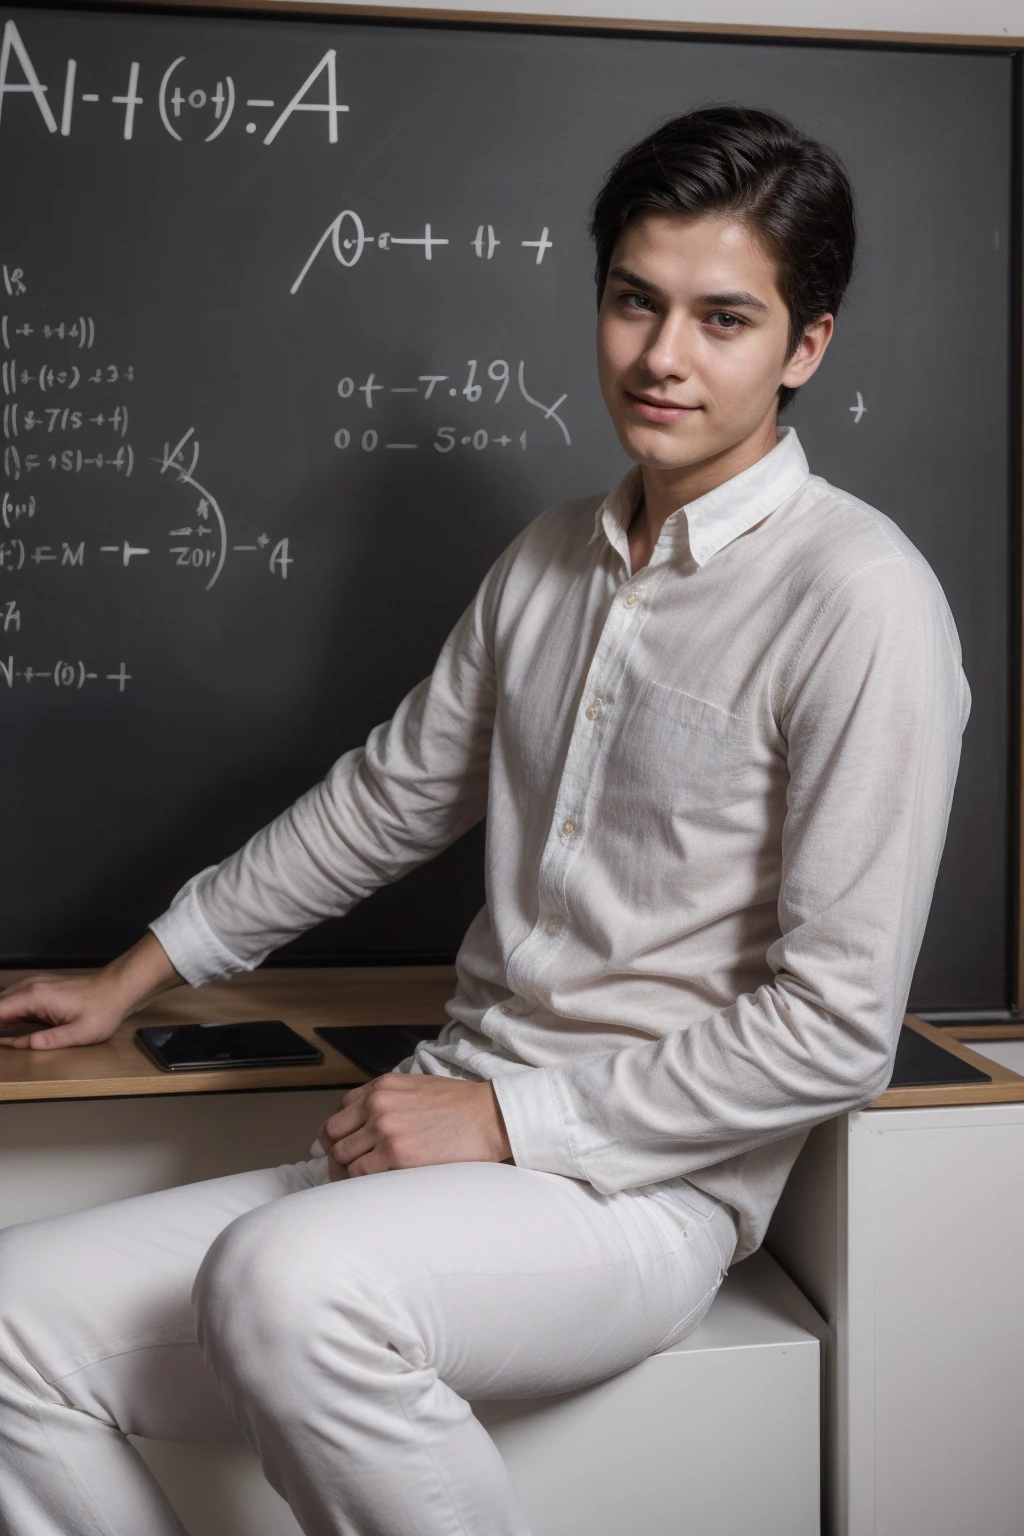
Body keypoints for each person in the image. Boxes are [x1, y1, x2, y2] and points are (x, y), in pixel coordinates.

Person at [0, 104, 969, 1536]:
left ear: (805, 346)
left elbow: (834, 1027)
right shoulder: (549, 561)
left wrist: (512, 1121)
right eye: (636, 301)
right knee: (9, 1323)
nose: (662, 357)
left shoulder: (861, 599)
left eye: (724, 319)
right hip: (440, 1124)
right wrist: (131, 976)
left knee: (284, 1281)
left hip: (640, 1193)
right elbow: (382, 803)